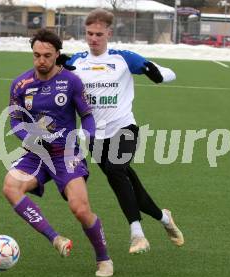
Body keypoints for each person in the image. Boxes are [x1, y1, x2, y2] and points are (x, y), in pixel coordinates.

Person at [59, 8, 184, 254]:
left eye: (98, 34)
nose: (93, 39)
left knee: (117, 170)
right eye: (89, 34)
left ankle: (137, 234)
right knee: (126, 181)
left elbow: (164, 72)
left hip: (124, 128)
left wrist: (158, 74)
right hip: (95, 135)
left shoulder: (123, 58)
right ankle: (164, 218)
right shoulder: (76, 62)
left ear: (109, 33)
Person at [3, 29, 113, 277]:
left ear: (57, 55)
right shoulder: (20, 85)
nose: (41, 60)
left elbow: (87, 116)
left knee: (80, 209)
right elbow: (15, 122)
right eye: (36, 55)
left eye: (47, 55)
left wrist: (87, 135)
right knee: (10, 186)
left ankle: (104, 258)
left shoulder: (71, 82)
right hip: (37, 153)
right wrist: (29, 139)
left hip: (66, 153)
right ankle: (55, 239)